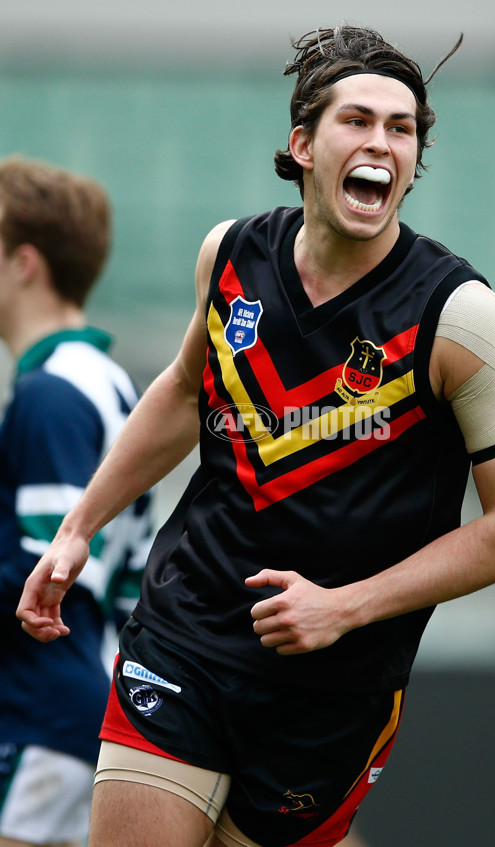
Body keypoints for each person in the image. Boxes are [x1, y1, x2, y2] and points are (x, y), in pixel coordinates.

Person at [16, 24, 495, 847]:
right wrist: (77, 528)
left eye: (401, 129)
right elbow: (185, 391)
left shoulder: (462, 318)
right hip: (185, 631)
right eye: (358, 121)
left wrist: (344, 607)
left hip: (334, 690)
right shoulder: (230, 255)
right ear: (302, 144)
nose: (381, 143)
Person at [0, 156, 154, 847]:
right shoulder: (104, 378)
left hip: (41, 706)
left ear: (24, 262)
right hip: (79, 698)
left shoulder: (52, 392)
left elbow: (46, 571)